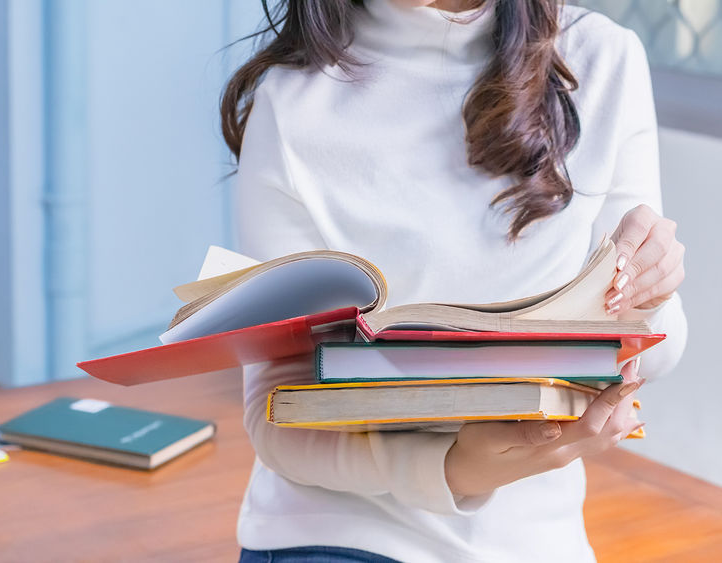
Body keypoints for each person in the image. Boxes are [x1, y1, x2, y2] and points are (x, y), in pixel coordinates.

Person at [221, 1, 687, 561]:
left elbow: (654, 355)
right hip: (334, 533)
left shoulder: (600, 57)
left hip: (537, 541)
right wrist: (454, 468)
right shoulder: (291, 95)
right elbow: (275, 406)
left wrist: (650, 294)